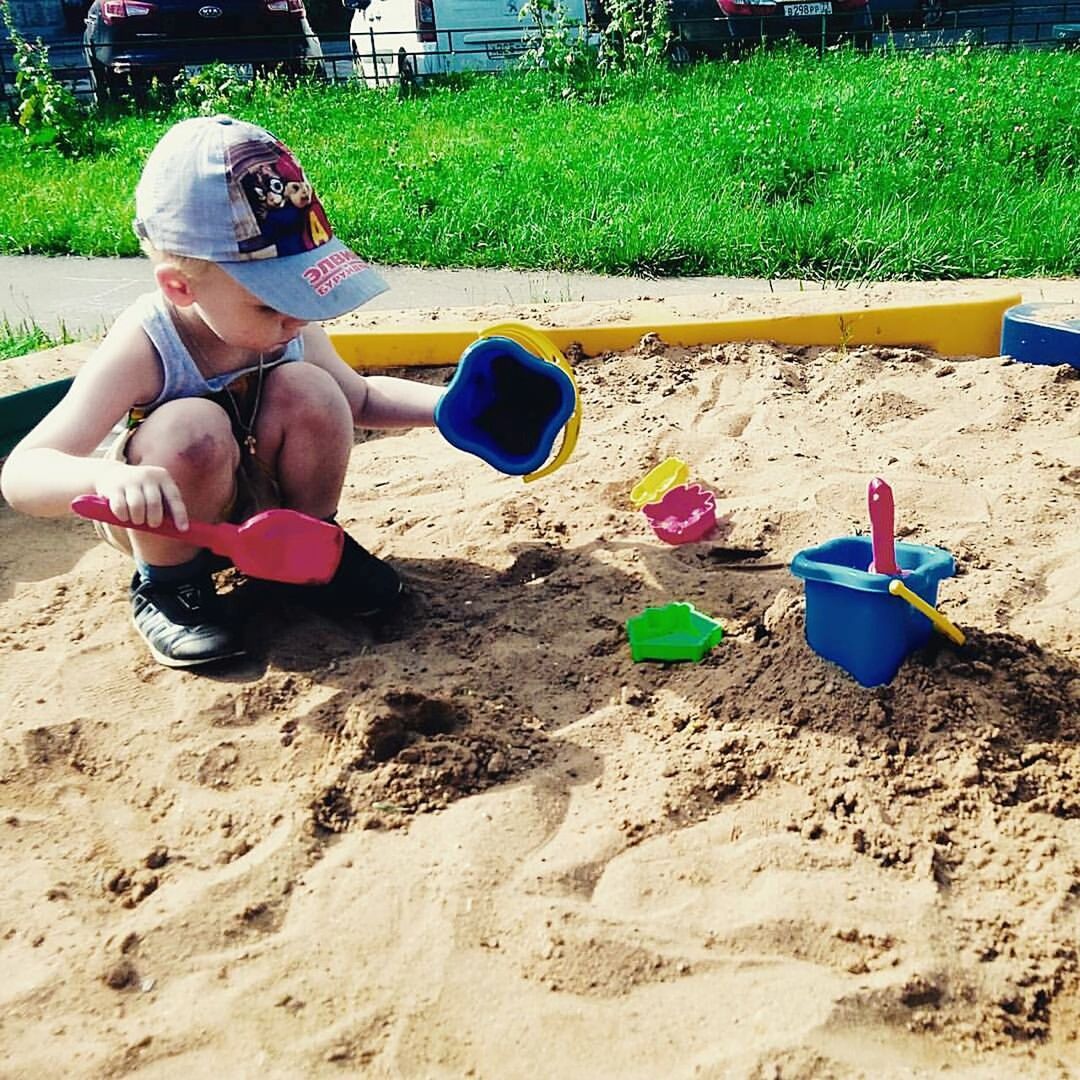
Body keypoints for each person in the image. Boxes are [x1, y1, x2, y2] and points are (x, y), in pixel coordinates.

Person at [0, 115, 444, 669]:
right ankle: (170, 590)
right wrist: (107, 479)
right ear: (180, 287)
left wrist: (449, 411)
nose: (293, 316)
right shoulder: (145, 345)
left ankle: (308, 549)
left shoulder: (288, 325)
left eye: (299, 286)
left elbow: (358, 400)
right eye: (268, 299)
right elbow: (22, 474)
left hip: (264, 507)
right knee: (191, 430)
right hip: (167, 517)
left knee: (313, 388)